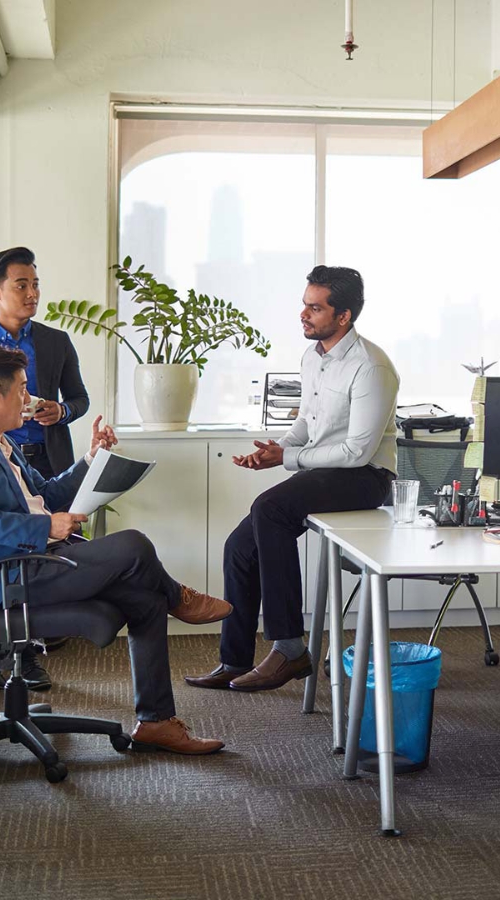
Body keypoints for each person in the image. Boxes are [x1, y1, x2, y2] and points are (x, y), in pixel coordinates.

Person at [0, 345, 231, 754]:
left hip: (40, 560)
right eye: (22, 390)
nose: (30, 400)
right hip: (11, 577)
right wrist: (45, 527)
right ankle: (179, 597)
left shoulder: (1, 442)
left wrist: (93, 458)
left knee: (145, 602)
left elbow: (43, 492)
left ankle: (157, 723)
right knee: (133, 544)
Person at [186, 265, 399, 692]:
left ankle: (289, 647)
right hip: (324, 471)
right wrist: (276, 450)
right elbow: (307, 420)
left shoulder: (371, 367)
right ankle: (234, 659)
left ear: (344, 316)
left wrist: (290, 458)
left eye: (315, 308)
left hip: (366, 477)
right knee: (239, 548)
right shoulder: (313, 357)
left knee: (271, 507)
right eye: (304, 304)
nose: (304, 314)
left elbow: (357, 450)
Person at [0, 247, 88, 480]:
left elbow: (80, 399)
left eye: (35, 284)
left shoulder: (57, 341)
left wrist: (61, 411)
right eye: (21, 286)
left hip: (51, 462)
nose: (32, 294)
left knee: (58, 517)